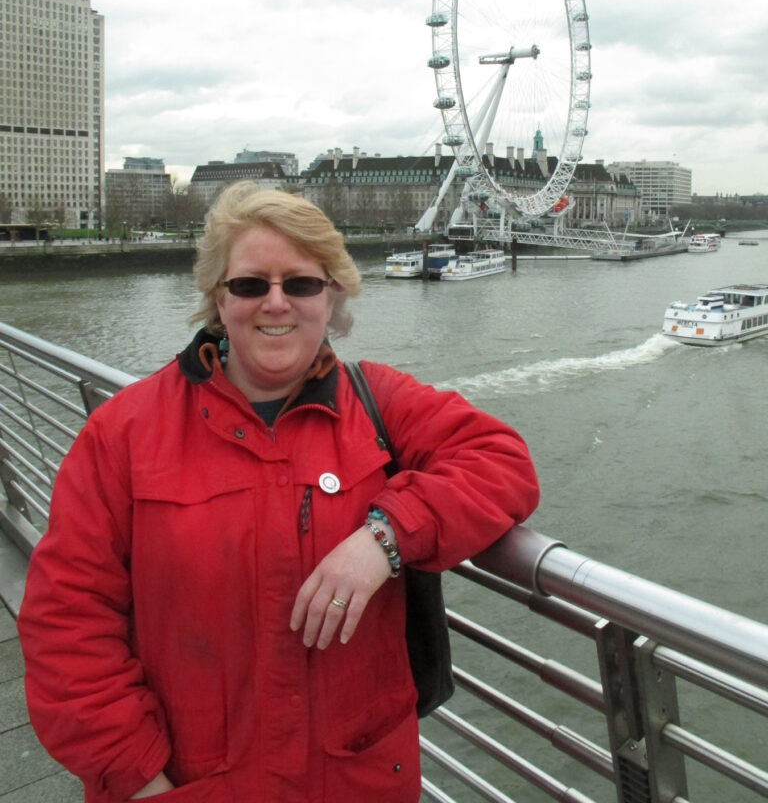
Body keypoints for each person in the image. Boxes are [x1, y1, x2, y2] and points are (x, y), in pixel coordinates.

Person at [18, 183, 539, 803]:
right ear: (218, 297)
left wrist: (383, 538)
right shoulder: (123, 433)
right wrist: (138, 776)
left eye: (300, 283)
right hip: (190, 784)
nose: (276, 303)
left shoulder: (377, 401)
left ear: (332, 295)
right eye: (250, 284)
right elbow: (67, 624)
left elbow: (500, 461)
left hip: (356, 779)